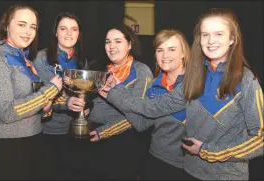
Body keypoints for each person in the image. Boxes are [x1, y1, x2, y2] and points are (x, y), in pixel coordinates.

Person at [102, 8, 264, 180]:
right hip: (189, 172)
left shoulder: (246, 80)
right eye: (205, 34)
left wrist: (208, 151)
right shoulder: (195, 76)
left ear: (232, 38)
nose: (211, 41)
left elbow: (260, 139)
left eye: (218, 34)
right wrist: (115, 93)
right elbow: (155, 107)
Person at [0, 4, 62, 180]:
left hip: (30, 142)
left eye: (33, 26)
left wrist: (45, 109)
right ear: (7, 25)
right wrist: (51, 90)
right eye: (22, 24)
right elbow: (7, 112)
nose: (28, 31)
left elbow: (30, 102)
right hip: (4, 149)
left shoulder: (23, 59)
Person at [94, 29, 192, 180]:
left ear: (183, 53)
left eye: (172, 49)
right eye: (160, 50)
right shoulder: (154, 86)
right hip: (155, 160)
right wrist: (120, 91)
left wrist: (117, 94)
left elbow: (150, 108)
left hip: (187, 166)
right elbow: (141, 123)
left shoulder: (194, 84)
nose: (165, 56)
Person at [68, 23, 154, 180]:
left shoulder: (141, 71)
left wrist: (104, 132)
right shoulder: (103, 69)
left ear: (129, 44)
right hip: (94, 138)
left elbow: (138, 116)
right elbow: (95, 101)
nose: (111, 46)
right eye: (108, 42)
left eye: (118, 41)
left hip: (122, 143)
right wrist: (86, 110)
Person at [33, 12, 89, 180]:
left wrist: (83, 106)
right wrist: (67, 103)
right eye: (63, 28)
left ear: (79, 34)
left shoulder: (81, 61)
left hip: (73, 131)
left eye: (74, 29)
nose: (69, 33)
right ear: (55, 32)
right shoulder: (41, 58)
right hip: (46, 131)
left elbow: (83, 93)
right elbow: (39, 96)